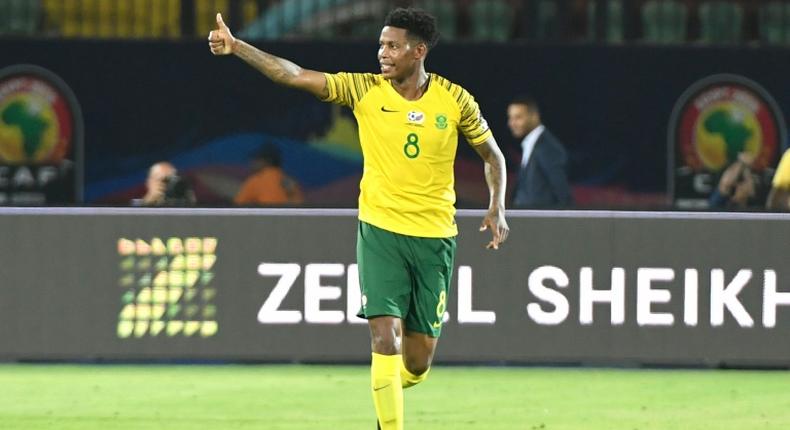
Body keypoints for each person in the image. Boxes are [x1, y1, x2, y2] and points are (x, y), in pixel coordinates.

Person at [209, 7, 509, 429]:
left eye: (392, 45)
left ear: (418, 50)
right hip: (380, 230)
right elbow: (292, 75)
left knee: (418, 364)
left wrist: (497, 204)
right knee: (384, 337)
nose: (382, 53)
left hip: (435, 235)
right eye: (380, 44)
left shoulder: (455, 99)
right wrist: (238, 47)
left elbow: (492, 155)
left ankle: (387, 383)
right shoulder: (363, 89)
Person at [506, 96, 573, 208]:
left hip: (538, 222)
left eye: (518, 118)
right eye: (510, 118)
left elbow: (563, 194)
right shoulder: (531, 144)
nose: (511, 123)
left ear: (534, 117)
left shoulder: (548, 147)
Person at [234, 142, 304, 206]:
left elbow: (237, 207)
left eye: (257, 159)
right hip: (287, 219)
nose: (252, 163)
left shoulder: (255, 180)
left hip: (264, 219)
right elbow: (299, 208)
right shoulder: (289, 180)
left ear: (267, 161)